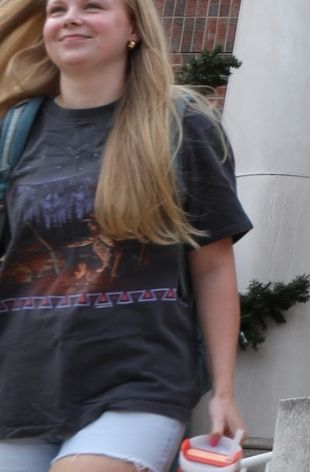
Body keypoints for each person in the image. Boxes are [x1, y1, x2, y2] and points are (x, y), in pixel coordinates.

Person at [0, 0, 253, 470]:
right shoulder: (13, 132)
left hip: (138, 383)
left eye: (92, 6)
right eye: (58, 9)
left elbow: (214, 266)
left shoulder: (182, 126)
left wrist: (223, 391)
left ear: (133, 26)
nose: (71, 17)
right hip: (18, 388)